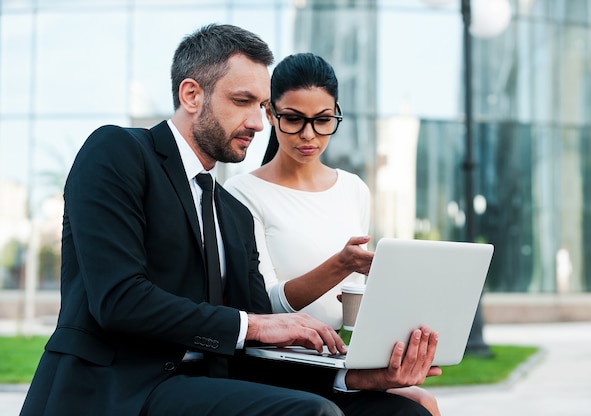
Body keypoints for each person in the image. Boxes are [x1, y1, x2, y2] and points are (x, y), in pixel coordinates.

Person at [21, 25, 438, 416]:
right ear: (191, 95)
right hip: (118, 386)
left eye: (260, 105)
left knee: (405, 410)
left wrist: (359, 377)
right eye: (243, 102)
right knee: (312, 414)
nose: (258, 123)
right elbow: (119, 300)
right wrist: (253, 324)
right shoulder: (118, 152)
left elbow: (263, 344)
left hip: (211, 383)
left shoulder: (232, 212)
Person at [225, 53, 441, 416]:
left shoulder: (353, 189)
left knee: (423, 402)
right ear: (270, 114)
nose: (308, 135)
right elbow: (264, 307)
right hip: (276, 366)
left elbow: (354, 299)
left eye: (323, 120)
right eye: (293, 120)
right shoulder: (242, 194)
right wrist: (340, 264)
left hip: (336, 359)